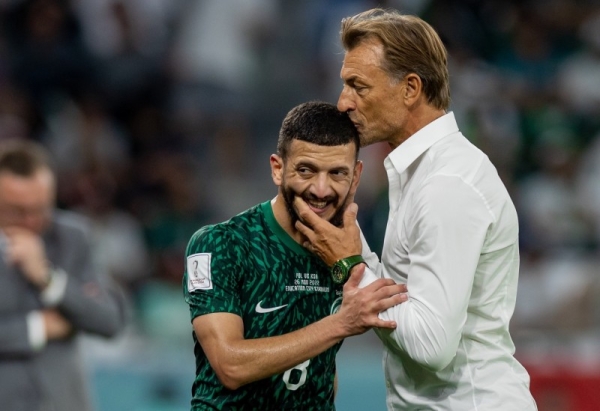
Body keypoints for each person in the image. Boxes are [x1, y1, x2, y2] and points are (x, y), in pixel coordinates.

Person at [294, 9, 538, 411]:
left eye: (358, 86)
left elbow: (430, 345)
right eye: (344, 85)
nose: (343, 103)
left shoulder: (448, 183)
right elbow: (406, 296)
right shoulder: (424, 172)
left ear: (410, 88)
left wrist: (349, 264)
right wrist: (355, 251)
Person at [182, 101, 406, 410]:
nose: (321, 189)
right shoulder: (220, 243)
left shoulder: (345, 254)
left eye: (337, 173)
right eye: (306, 170)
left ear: (355, 177)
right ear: (278, 168)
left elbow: (325, 370)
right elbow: (230, 365)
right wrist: (340, 324)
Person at [0, 139, 127, 411]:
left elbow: (110, 319)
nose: (31, 220)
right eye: (18, 210)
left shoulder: (72, 237)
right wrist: (38, 327)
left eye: (41, 208)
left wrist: (49, 279)